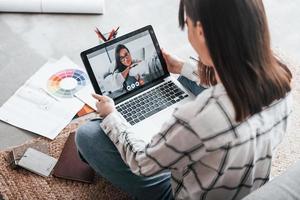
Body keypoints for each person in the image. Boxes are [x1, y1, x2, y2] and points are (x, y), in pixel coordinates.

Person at [75, 0, 293, 199]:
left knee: (87, 135)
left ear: (201, 32)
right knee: (185, 79)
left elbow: (142, 163)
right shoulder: (280, 81)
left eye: (187, 24)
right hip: (246, 183)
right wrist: (180, 67)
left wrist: (112, 115)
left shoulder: (199, 115)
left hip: (187, 193)